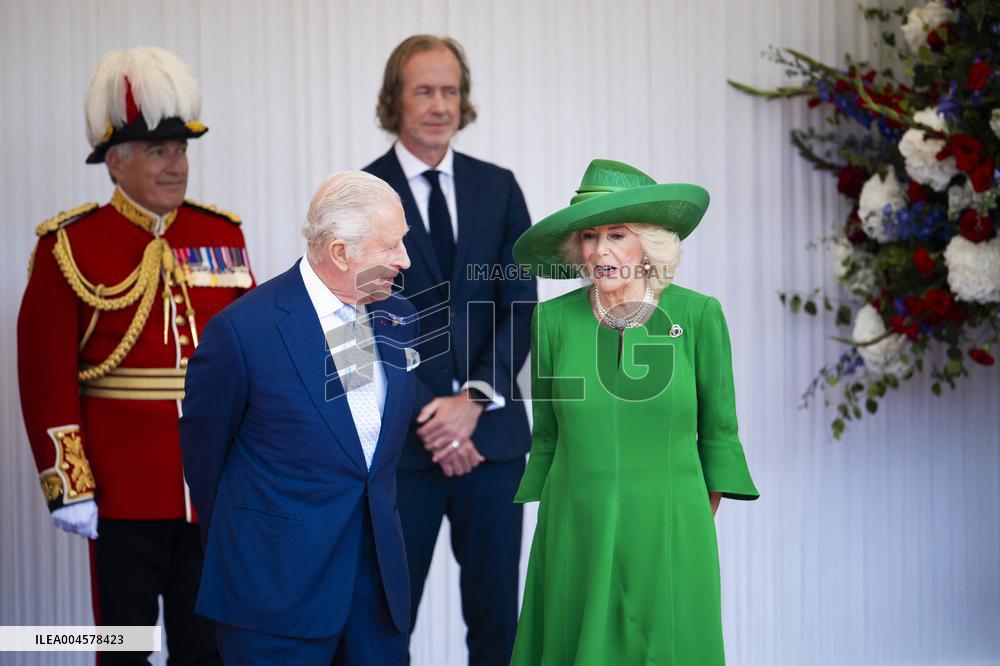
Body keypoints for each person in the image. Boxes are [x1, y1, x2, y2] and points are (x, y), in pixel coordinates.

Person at [16, 47, 253, 664]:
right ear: (116, 163)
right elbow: (44, 378)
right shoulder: (69, 245)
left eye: (181, 151)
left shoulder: (221, 235)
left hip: (209, 485)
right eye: (158, 151)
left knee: (208, 646)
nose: (176, 165)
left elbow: (252, 362)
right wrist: (69, 484)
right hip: (120, 488)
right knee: (121, 645)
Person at [509, 159, 760, 665]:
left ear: (648, 244)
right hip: (575, 526)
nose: (601, 250)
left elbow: (718, 435)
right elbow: (550, 437)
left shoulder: (697, 315)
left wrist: (680, 513)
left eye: (617, 235)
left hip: (671, 528)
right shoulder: (552, 320)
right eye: (589, 236)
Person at [179, 171, 419, 664]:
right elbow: (205, 467)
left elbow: (371, 452)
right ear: (339, 253)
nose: (405, 260)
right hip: (274, 596)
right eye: (390, 246)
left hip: (378, 597)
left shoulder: (401, 315)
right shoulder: (242, 332)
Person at [363, 35, 536, 664]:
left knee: (498, 627)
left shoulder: (499, 187)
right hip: (402, 447)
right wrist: (435, 411)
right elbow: (358, 316)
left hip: (491, 446)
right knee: (386, 622)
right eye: (424, 90)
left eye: (450, 91)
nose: (440, 105)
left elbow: (521, 305)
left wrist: (472, 402)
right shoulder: (361, 193)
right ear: (395, 100)